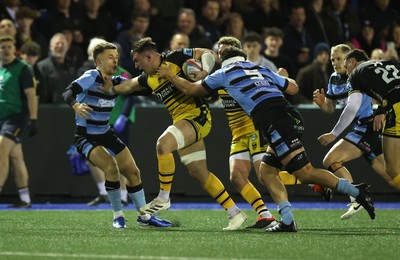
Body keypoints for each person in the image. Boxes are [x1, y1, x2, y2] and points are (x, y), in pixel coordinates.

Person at [157, 45, 376, 232]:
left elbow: (194, 89)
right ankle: (287, 220)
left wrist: (171, 76)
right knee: (267, 171)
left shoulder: (223, 72)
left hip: (273, 119)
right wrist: (282, 75)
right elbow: (293, 87)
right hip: (287, 114)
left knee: (305, 172)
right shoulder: (259, 67)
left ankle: (357, 191)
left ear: (224, 60)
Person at [98, 37, 247, 231]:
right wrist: (107, 88)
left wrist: (204, 72)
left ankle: (163, 197)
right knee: (199, 173)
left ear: (149, 56)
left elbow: (208, 53)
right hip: (183, 123)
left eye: (137, 60)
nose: (136, 65)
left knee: (163, 144)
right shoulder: (149, 78)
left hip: (197, 117)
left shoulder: (175, 58)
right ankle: (234, 213)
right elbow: (127, 86)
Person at [62, 41, 171, 228]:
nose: (115, 61)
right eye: (110, 57)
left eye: (117, 57)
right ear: (99, 61)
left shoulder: (117, 81)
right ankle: (118, 216)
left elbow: (142, 88)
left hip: (105, 132)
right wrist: (76, 105)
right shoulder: (91, 76)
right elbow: (67, 92)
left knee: (133, 172)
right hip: (85, 136)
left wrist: (164, 77)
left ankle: (144, 216)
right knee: (111, 169)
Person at [314, 46, 395, 220]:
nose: (336, 63)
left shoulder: (361, 74)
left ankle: (356, 197)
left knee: (330, 160)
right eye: (333, 59)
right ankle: (356, 196)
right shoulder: (334, 79)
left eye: (340, 58)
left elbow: (374, 95)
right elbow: (331, 107)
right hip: (363, 128)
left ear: (350, 60)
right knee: (391, 175)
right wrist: (323, 105)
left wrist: (380, 110)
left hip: (367, 126)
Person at [0, 35, 37, 208]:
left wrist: (33, 119)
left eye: (8, 46)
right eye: (2, 47)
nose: (5, 49)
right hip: (2, 118)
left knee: (1, 148)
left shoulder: (22, 68)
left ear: (14, 48)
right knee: (16, 156)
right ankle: (25, 198)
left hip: (16, 118)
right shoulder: (0, 68)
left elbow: (31, 95)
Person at [36, 32, 76, 104]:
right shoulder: (42, 66)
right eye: (57, 43)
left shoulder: (71, 67)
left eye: (63, 44)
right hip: (49, 111)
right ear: (50, 47)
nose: (60, 46)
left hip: (69, 110)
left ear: (67, 47)